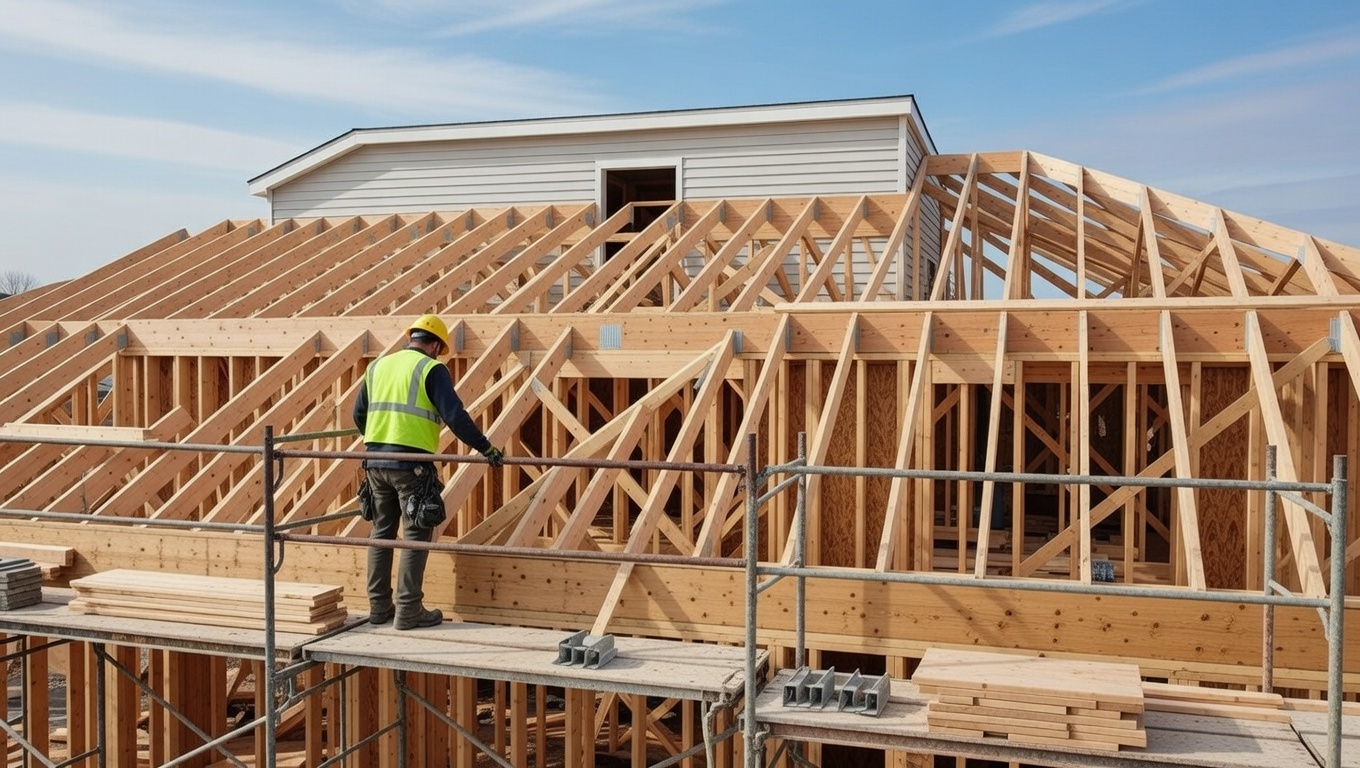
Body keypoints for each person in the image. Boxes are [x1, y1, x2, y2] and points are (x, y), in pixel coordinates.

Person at [352, 314, 505, 630]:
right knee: (416, 533)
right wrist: (486, 448)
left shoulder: (377, 366)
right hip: (411, 466)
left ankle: (380, 608)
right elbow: (455, 416)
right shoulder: (432, 369)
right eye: (440, 348)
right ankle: (408, 610)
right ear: (435, 344)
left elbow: (358, 414)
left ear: (411, 337)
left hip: (375, 462)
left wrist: (378, 441)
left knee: (382, 531)